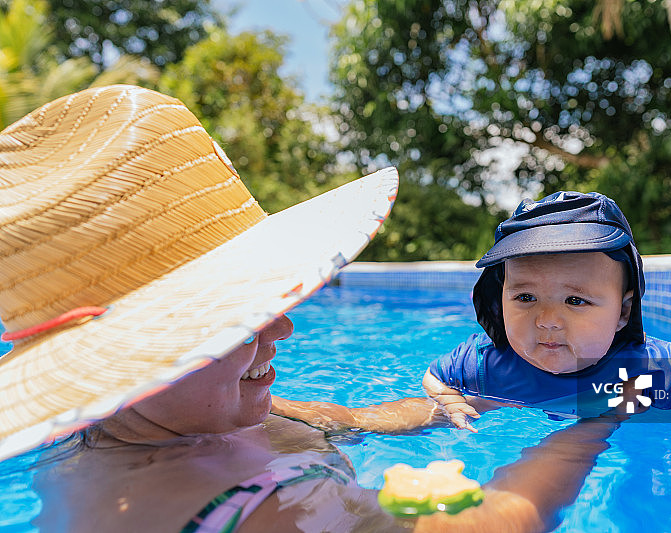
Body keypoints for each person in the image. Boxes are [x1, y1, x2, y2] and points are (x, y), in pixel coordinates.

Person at [1, 85, 625, 533]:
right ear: (133, 353)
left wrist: (480, 401)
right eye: (239, 313)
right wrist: (593, 425)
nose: (284, 324)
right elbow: (497, 522)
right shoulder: (256, 514)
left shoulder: (165, 421)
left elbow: (351, 419)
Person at [419, 191, 671, 459]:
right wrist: (449, 401)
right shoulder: (486, 361)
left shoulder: (652, 366)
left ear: (622, 311)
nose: (547, 321)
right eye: (526, 297)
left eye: (575, 301)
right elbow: (434, 377)